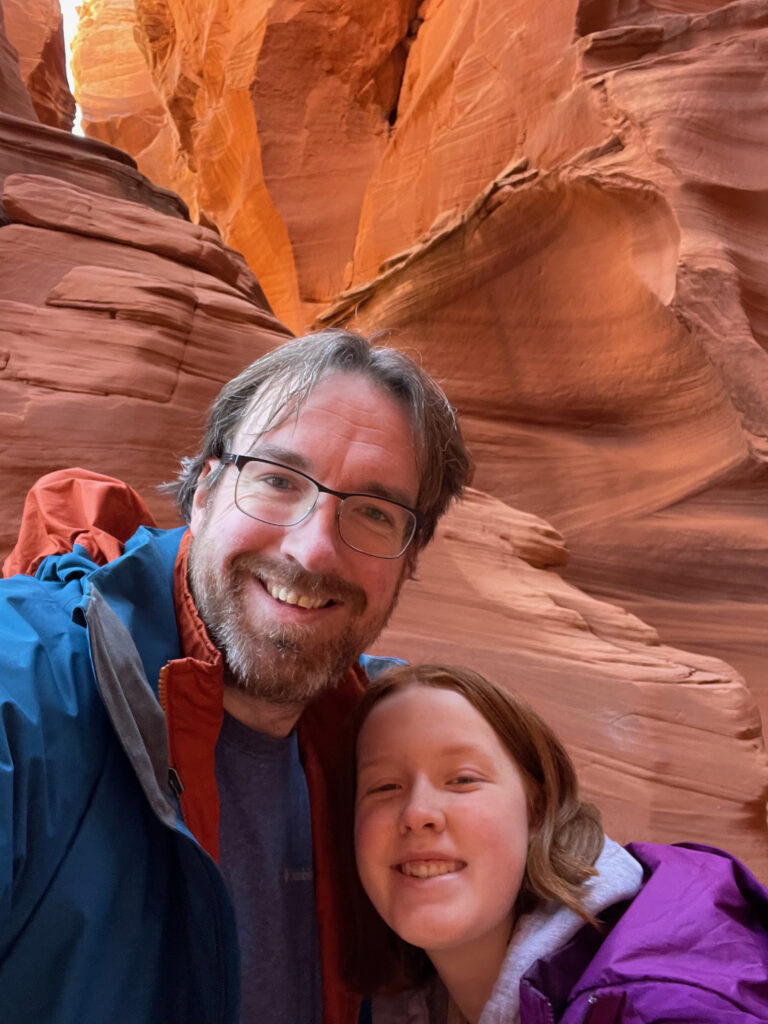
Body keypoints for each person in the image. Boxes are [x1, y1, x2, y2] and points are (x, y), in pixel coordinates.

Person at [0, 330, 470, 1024]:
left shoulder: (385, 746)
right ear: (205, 490)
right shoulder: (28, 686)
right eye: (278, 480)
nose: (312, 550)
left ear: (410, 557)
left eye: (373, 513)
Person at [347, 663, 768, 1023]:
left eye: (462, 779)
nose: (417, 812)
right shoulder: (408, 999)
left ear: (538, 810)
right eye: (384, 787)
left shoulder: (653, 1004)